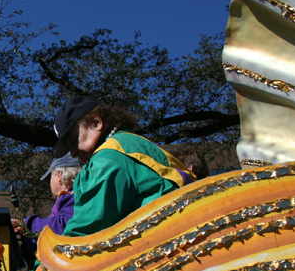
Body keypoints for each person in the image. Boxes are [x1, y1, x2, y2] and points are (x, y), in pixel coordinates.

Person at [53, 96, 195, 237]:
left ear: (96, 123)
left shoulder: (106, 160)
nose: (72, 153)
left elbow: (86, 231)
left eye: (73, 140)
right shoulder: (134, 143)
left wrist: (51, 256)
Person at [13, 153, 81, 255]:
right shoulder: (75, 196)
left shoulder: (75, 196)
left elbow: (63, 226)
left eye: (50, 176)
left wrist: (26, 224)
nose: (50, 182)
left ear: (59, 175)